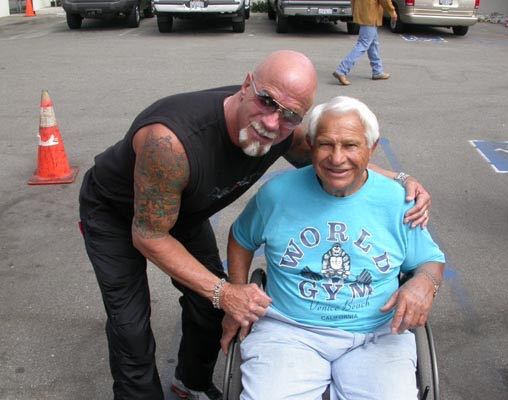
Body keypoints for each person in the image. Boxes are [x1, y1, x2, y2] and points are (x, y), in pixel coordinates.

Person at [79, 51, 431, 400]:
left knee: (208, 305)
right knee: (131, 327)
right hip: (118, 214)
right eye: (267, 101)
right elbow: (150, 234)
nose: (273, 122)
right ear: (247, 85)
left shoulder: (282, 130)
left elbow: (338, 163)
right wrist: (226, 290)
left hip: (186, 209)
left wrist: (401, 179)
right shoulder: (169, 142)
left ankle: (191, 382)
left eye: (292, 115)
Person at [221, 96, 445, 400]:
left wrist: (424, 283)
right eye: (326, 144)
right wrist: (236, 293)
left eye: (351, 145)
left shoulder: (397, 202)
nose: (337, 159)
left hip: (377, 334)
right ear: (310, 145)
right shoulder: (277, 194)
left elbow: (430, 260)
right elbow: (241, 238)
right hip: (289, 332)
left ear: (372, 147)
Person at [333, 0, 397, 85]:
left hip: (364, 13)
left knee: (373, 44)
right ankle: (341, 70)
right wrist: (392, 11)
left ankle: (377, 71)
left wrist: (355, 11)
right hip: (371, 14)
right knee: (363, 44)